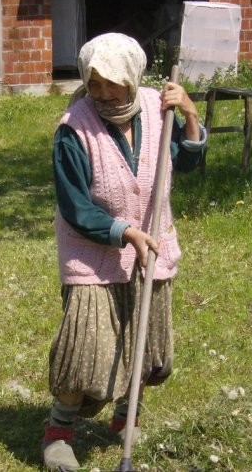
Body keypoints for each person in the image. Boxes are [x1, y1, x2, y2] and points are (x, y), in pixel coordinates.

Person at [43, 32, 207, 471]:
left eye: (113, 83)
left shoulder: (158, 108)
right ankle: (58, 433)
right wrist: (124, 232)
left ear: (133, 78)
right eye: (94, 84)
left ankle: (125, 419)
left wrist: (190, 114)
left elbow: (186, 161)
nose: (103, 94)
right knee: (85, 350)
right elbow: (74, 205)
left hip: (153, 247)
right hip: (92, 254)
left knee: (146, 348)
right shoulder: (72, 129)